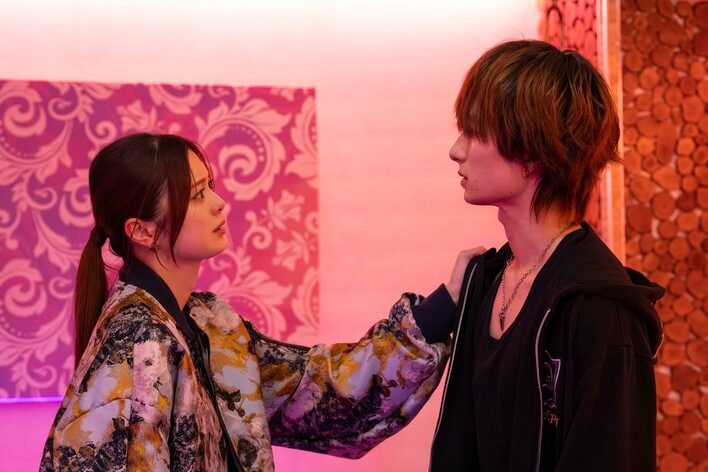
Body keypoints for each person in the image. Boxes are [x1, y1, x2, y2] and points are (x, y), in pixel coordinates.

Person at [39, 133, 480, 472]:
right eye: (197, 195)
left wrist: (442, 307)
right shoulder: (138, 341)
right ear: (141, 230)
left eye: (210, 186)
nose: (220, 204)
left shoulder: (208, 324)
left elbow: (318, 392)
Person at [426, 40, 664, 471]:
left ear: (533, 152)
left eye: (474, 132)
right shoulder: (485, 281)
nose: (456, 150)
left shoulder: (600, 310)